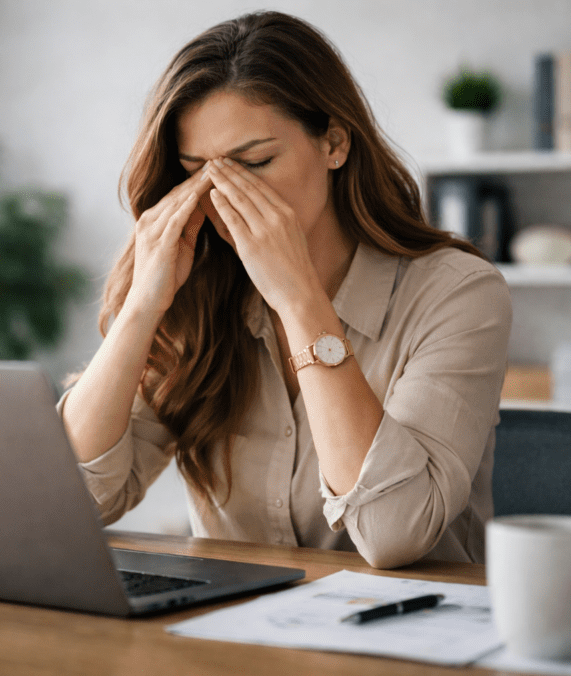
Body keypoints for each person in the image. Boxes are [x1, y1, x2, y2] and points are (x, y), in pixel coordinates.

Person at [59, 11, 511, 569]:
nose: (223, 194)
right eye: (196, 171)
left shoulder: (459, 294)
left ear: (335, 144)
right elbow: (75, 500)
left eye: (254, 162)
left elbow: (393, 534)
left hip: (409, 637)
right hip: (234, 636)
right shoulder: (199, 292)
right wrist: (142, 306)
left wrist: (299, 300)